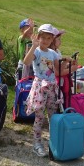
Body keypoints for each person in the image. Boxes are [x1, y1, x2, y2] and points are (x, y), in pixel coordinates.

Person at [23, 24, 63, 157]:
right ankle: (37, 143)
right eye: (43, 37)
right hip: (40, 87)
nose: (45, 40)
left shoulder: (53, 53)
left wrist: (70, 65)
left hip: (51, 87)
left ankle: (54, 143)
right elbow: (26, 62)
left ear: (52, 40)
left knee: (53, 116)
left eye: (48, 38)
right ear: (38, 37)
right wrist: (33, 46)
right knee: (39, 116)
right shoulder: (36, 51)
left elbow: (58, 70)